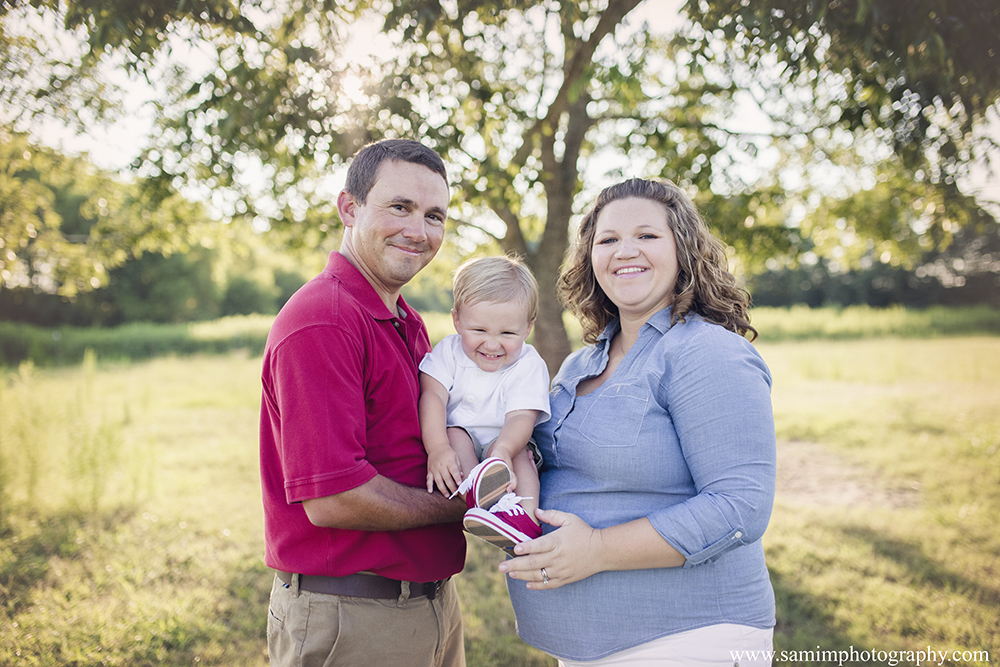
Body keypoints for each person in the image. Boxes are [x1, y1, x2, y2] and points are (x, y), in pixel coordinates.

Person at [500, 178, 777, 666]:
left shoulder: (705, 352)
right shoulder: (580, 366)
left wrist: (598, 550)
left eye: (647, 235)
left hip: (686, 639)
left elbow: (741, 506)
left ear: (683, 249)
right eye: (607, 240)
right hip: (589, 647)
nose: (625, 250)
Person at [259, 139, 468, 667]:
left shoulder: (406, 320)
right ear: (349, 208)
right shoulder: (325, 320)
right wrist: (468, 504)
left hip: (429, 603)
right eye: (400, 207)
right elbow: (334, 498)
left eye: (434, 215)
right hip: (354, 619)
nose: (418, 231)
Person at [418, 255, 551, 552]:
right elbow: (432, 396)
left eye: (507, 333)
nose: (492, 344)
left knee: (522, 458)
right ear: (457, 321)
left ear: (527, 328)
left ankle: (524, 521)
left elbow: (521, 419)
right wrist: (437, 448)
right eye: (479, 331)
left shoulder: (528, 364)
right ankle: (477, 496)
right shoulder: (449, 352)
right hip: (461, 438)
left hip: (508, 439)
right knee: (454, 435)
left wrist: (501, 452)